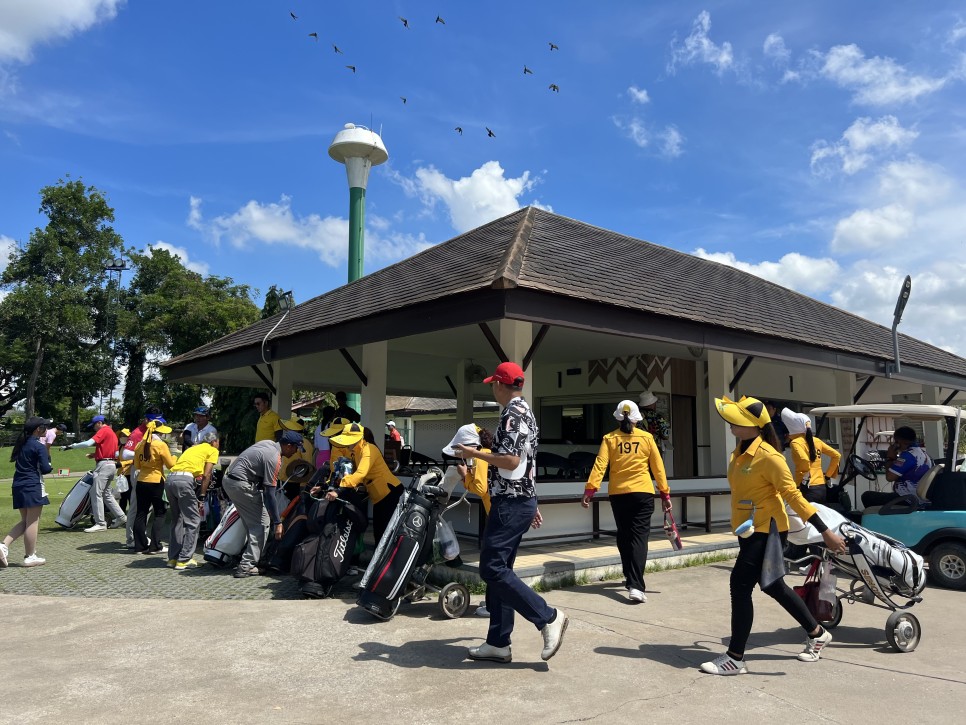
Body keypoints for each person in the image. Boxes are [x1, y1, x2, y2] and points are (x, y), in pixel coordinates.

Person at [699, 395, 847, 676]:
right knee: (773, 585)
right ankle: (817, 634)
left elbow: (793, 496)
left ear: (754, 426)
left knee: (740, 586)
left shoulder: (770, 457)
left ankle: (735, 657)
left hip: (767, 531)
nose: (731, 424)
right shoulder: (739, 451)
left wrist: (825, 531)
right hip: (749, 529)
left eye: (737, 421)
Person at [454, 361, 568, 664]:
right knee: (500, 570)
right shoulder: (525, 413)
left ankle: (548, 617)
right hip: (518, 500)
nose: (492, 387)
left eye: (493, 383)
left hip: (510, 504)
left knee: (492, 568)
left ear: (501, 386)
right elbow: (526, 465)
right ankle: (498, 642)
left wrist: (472, 453)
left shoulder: (511, 415)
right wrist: (531, 502)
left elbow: (511, 461)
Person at [583, 400, 671, 603]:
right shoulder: (647, 438)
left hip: (619, 493)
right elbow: (658, 469)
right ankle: (636, 585)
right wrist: (665, 494)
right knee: (639, 537)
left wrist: (590, 490)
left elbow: (600, 465)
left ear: (617, 416)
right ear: (637, 417)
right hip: (643, 492)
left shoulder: (610, 438)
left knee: (624, 535)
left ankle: (628, 575)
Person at [222, 431, 302, 577]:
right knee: (262, 522)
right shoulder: (274, 458)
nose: (296, 452)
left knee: (251, 523)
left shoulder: (268, 443)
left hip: (229, 481)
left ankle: (248, 557)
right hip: (241, 485)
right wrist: (278, 522)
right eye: (296, 448)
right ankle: (246, 565)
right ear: (289, 446)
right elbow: (269, 494)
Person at [322, 423, 402, 544]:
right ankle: (379, 561)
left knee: (386, 532)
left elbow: (360, 474)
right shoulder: (354, 452)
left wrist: (338, 491)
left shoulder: (369, 449)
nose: (346, 444)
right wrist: (325, 486)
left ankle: (389, 561)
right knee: (379, 532)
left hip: (390, 493)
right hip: (378, 496)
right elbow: (347, 474)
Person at [444, 423, 494, 616]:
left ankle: (493, 606)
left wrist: (465, 477)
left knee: (491, 563)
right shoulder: (488, 454)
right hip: (496, 512)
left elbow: (481, 489)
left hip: (495, 515)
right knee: (494, 562)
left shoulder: (481, 458)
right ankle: (493, 602)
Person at [1, 417, 54, 568]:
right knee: (32, 521)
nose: (46, 429)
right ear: (38, 429)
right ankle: (30, 556)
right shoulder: (38, 446)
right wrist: (49, 463)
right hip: (32, 485)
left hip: (18, 485)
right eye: (44, 427)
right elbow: (45, 468)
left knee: (25, 521)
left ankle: (3, 546)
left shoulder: (22, 444)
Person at [166, 430, 220, 570]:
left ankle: (173, 558)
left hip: (170, 479)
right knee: (193, 520)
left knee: (177, 519)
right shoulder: (212, 450)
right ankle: (185, 559)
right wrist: (202, 495)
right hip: (184, 481)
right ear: (214, 442)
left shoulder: (193, 448)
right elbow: (207, 475)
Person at [63, 414, 126, 533]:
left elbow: (87, 443)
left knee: (95, 493)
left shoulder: (104, 430)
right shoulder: (112, 433)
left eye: (94, 426)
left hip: (103, 466)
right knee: (106, 494)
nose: (94, 428)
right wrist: (94, 455)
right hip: (111, 465)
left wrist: (72, 446)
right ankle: (121, 517)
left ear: (99, 423)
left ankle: (100, 523)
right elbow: (113, 453)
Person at [121, 408, 164, 547]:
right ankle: (133, 538)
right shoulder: (138, 433)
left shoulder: (151, 432)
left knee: (146, 507)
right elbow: (126, 454)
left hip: (147, 471)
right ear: (146, 420)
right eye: (154, 421)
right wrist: (145, 456)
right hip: (139, 470)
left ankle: (140, 537)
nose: (157, 425)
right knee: (137, 506)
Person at [132, 419, 176, 554]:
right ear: (159, 433)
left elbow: (137, 465)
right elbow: (171, 465)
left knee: (141, 513)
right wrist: (174, 457)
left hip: (141, 481)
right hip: (156, 481)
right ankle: (155, 546)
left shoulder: (140, 444)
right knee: (160, 513)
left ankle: (140, 546)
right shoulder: (160, 445)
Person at [861, 426, 932, 508]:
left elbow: (890, 477)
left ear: (898, 442)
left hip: (907, 498)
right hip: (914, 497)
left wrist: (890, 457)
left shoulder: (907, 456)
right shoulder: (922, 453)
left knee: (867, 496)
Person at [781, 410, 841, 504]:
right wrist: (828, 476)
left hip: (806, 488)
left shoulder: (796, 442)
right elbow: (836, 455)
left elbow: (804, 460)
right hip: (821, 486)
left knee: (805, 517)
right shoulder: (817, 441)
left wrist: (805, 478)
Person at [313, 405, 336, 469]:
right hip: (329, 456)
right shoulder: (332, 427)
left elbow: (316, 445)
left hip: (319, 457)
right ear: (333, 415)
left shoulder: (318, 428)